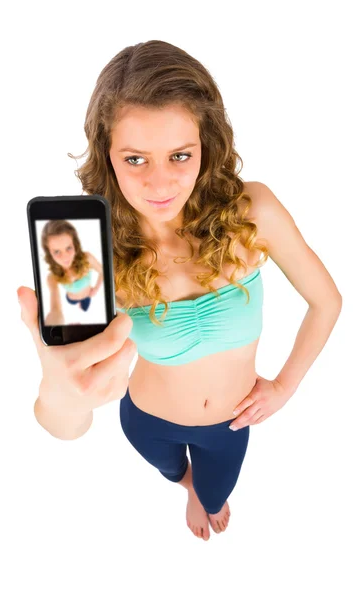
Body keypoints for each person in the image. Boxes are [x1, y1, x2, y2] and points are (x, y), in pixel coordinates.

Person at [18, 40, 342, 542]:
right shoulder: (90, 253)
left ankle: (200, 490)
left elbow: (327, 301)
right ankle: (181, 480)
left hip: (230, 428)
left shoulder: (253, 214)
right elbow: (65, 427)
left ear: (206, 145)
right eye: (135, 159)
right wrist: (60, 393)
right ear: (108, 156)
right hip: (144, 421)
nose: (160, 182)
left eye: (179, 155)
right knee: (172, 473)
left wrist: (285, 385)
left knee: (212, 495)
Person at [40, 219, 104, 326]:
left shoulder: (87, 258)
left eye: (68, 248)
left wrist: (96, 289)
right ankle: (76, 303)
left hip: (87, 296)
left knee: (84, 309)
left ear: (75, 245)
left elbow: (103, 272)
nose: (65, 257)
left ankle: (80, 304)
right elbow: (55, 310)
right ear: (49, 253)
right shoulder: (52, 277)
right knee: (74, 303)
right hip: (71, 299)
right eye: (57, 251)